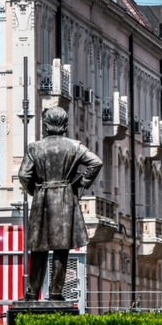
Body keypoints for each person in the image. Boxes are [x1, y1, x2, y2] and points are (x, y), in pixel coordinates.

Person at [19, 106, 102, 301]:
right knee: (60, 248)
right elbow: (95, 162)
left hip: (42, 198)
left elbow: (24, 175)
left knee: (39, 248)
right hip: (65, 198)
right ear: (64, 125)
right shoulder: (74, 146)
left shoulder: (35, 147)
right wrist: (83, 181)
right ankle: (55, 293)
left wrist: (34, 191)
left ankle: (31, 294)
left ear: (46, 125)